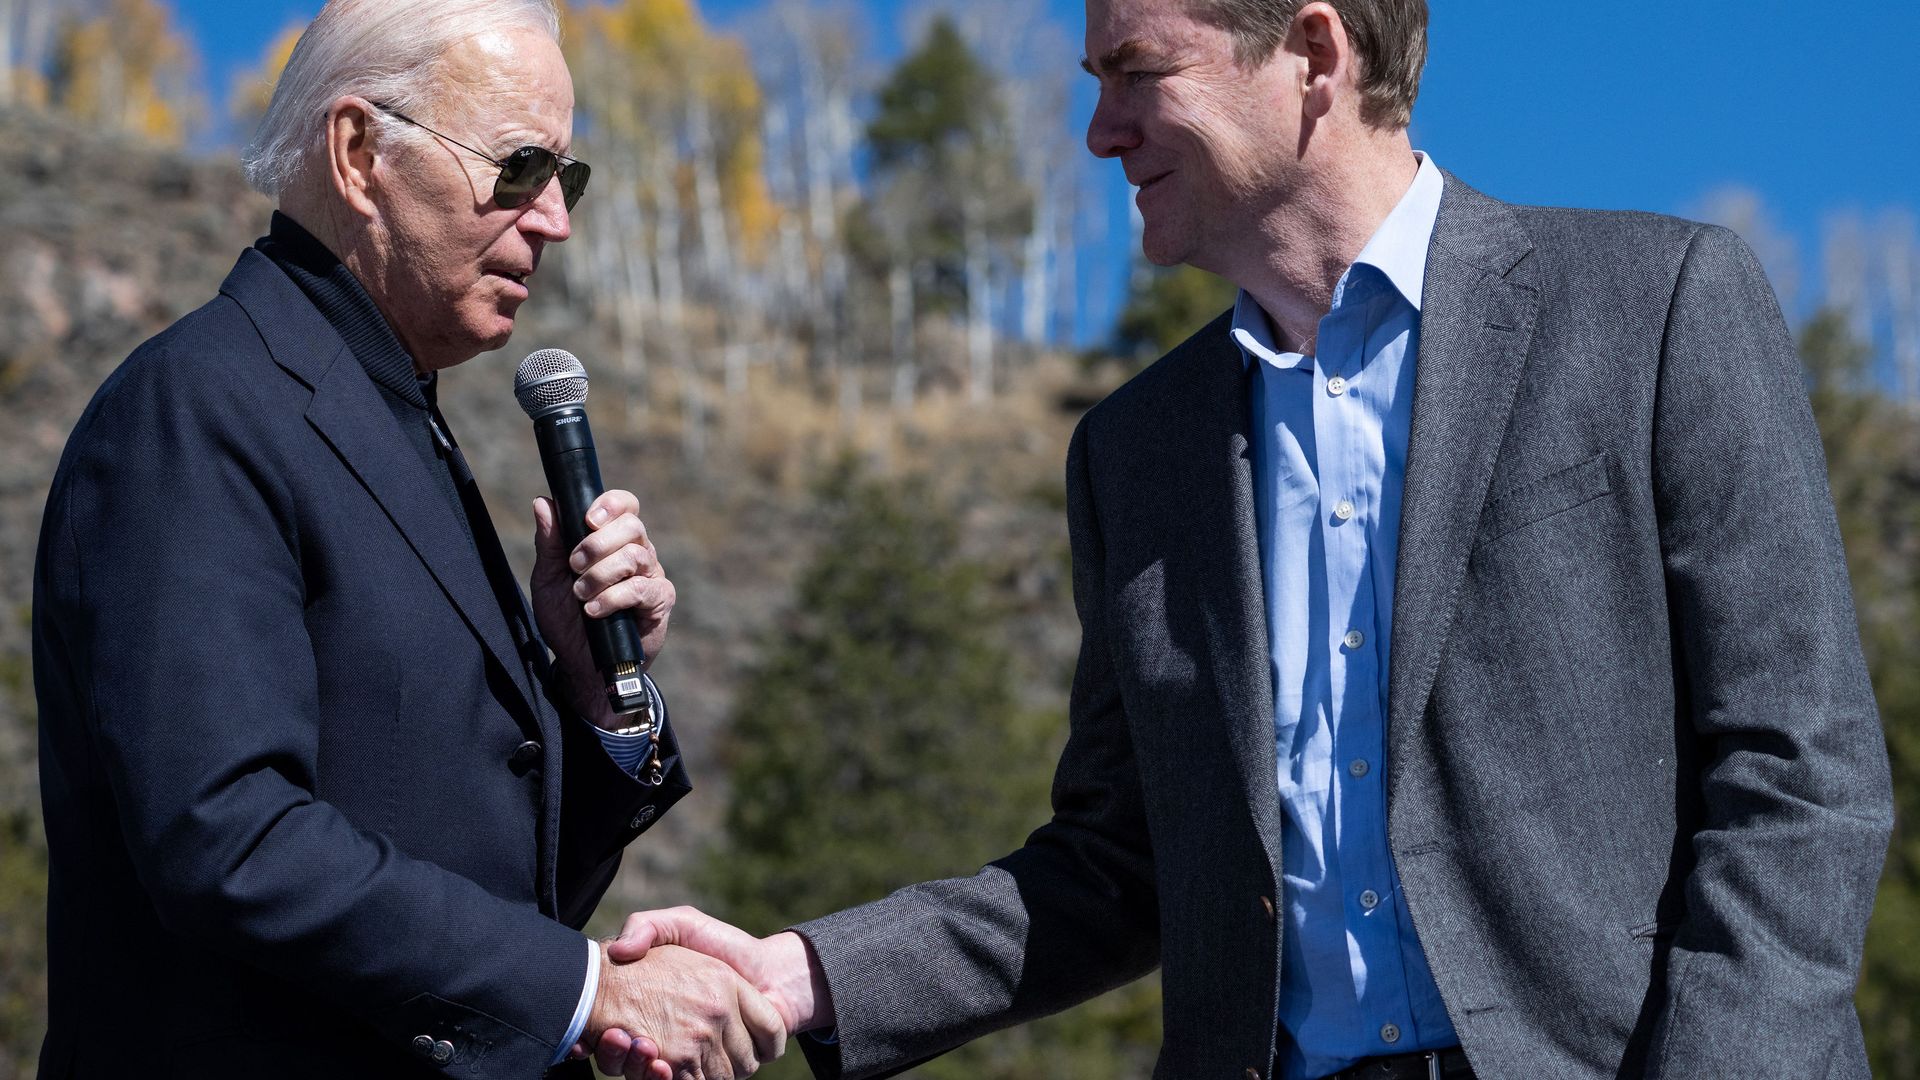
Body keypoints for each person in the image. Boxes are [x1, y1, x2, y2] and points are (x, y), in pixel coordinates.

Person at [596, 1, 1896, 1078]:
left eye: (1136, 72)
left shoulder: (1655, 306)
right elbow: (1116, 867)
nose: (1100, 131)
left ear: (1316, 55)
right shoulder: (1134, 452)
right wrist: (797, 972)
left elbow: (1800, 770)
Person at [31, 1, 783, 1077]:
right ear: (357, 153)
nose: (554, 220)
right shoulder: (200, 405)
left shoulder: (393, 420)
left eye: (565, 179)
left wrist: (591, 693)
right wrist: (590, 987)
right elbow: (227, 838)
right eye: (519, 168)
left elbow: (494, 888)